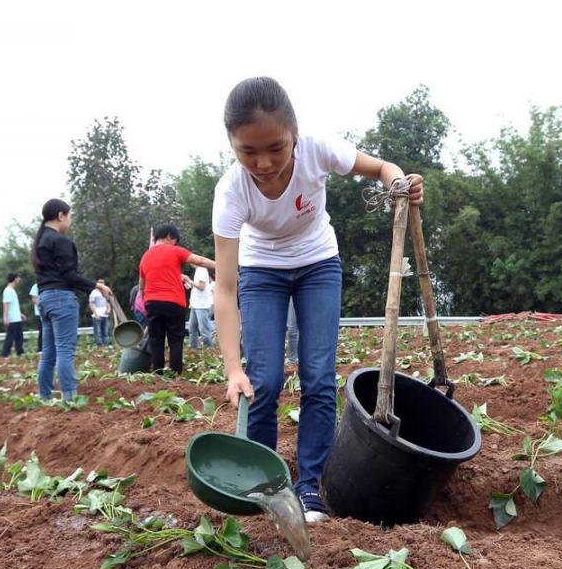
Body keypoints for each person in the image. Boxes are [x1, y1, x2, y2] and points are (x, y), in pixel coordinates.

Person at [212, 77, 424, 522]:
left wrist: (401, 184)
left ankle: (310, 486)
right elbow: (226, 289)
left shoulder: (318, 151)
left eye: (275, 147)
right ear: (231, 145)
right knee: (263, 381)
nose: (264, 162)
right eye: (247, 152)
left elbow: (383, 168)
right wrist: (233, 368)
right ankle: (265, 486)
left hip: (317, 264)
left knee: (318, 377)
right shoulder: (231, 192)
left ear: (295, 134)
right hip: (261, 272)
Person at [32, 198, 111, 401]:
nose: (70, 221)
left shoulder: (40, 242)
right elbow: (70, 276)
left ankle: (45, 396)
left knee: (48, 352)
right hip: (61, 299)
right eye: (70, 216)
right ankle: (70, 398)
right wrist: (97, 286)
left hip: (45, 299)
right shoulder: (60, 241)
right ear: (60, 216)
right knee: (65, 350)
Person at [138, 224, 216, 374]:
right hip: (174, 302)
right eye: (175, 240)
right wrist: (223, 266)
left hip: (152, 302)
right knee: (175, 338)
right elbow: (200, 261)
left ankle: (158, 372)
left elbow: (142, 285)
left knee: (156, 339)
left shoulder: (145, 256)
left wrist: (146, 302)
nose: (175, 243)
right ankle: (175, 372)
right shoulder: (175, 250)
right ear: (169, 237)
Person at [185, 265, 215, 348]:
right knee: (191, 328)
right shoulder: (198, 270)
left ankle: (209, 349)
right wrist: (190, 285)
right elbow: (198, 287)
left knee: (204, 330)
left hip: (202, 305)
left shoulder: (202, 270)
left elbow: (201, 287)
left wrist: (189, 280)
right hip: (195, 304)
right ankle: (193, 348)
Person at [1, 273, 25, 357]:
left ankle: (20, 354)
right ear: (15, 279)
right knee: (10, 339)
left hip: (16, 318)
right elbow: (6, 304)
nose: (19, 279)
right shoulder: (7, 290)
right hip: (12, 319)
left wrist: (20, 314)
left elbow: (13, 305)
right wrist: (5, 317)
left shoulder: (12, 290)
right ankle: (4, 355)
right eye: (18, 278)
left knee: (19, 338)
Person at [89, 279, 111, 347]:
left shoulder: (105, 292)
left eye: (102, 283)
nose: (101, 284)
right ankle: (99, 346)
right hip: (97, 314)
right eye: (100, 283)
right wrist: (95, 314)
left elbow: (107, 302)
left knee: (106, 332)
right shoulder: (93, 292)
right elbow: (91, 303)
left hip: (105, 315)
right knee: (98, 332)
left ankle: (106, 346)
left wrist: (109, 309)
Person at [29, 282, 42, 352]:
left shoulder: (49, 284)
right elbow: (33, 299)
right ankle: (40, 349)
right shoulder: (36, 285)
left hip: (48, 312)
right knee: (42, 331)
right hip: (39, 313)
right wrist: (41, 304)